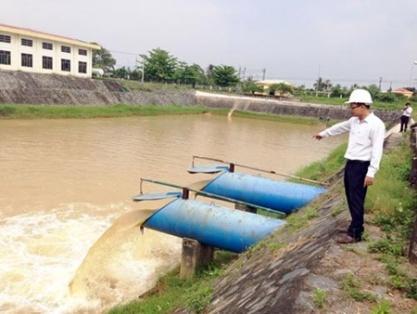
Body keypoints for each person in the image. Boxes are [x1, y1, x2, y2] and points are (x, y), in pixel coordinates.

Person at [313, 89, 385, 244]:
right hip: (351, 163)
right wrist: (323, 134)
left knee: (356, 198)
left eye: (352, 106)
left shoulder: (376, 125)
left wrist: (371, 172)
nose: (350, 109)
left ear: (363, 106)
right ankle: (354, 225)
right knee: (351, 197)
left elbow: (377, 149)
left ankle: (355, 233)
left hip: (362, 166)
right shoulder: (354, 121)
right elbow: (340, 127)